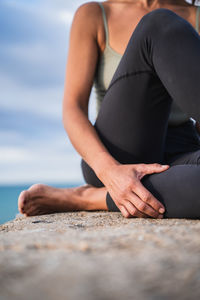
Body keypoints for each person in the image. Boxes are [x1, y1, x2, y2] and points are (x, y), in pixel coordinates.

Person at [18, 0, 200, 219]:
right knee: (160, 23)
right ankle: (101, 190)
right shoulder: (95, 15)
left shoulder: (195, 15)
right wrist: (109, 171)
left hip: (183, 146)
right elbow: (72, 108)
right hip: (121, 150)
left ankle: (88, 198)